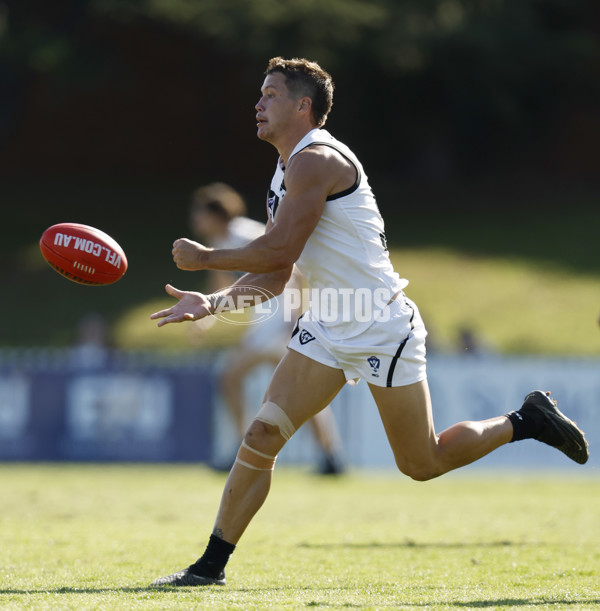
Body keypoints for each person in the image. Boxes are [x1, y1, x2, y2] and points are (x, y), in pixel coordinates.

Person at [149, 57, 590, 587]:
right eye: (260, 95)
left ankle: (527, 421)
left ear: (302, 105)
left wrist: (206, 260)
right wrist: (211, 304)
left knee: (422, 462)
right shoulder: (286, 168)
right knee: (263, 434)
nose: (258, 104)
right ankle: (209, 566)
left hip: (381, 324)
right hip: (329, 325)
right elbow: (280, 272)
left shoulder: (315, 161)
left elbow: (278, 249)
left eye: (269, 94)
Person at [188, 182, 345, 474]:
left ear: (214, 214)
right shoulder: (219, 245)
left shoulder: (245, 233)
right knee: (298, 392)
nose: (194, 219)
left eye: (199, 212)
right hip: (262, 327)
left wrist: (295, 319)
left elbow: (292, 270)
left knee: (231, 379)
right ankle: (330, 456)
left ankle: (243, 449)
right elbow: (218, 292)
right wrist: (203, 322)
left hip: (278, 323)